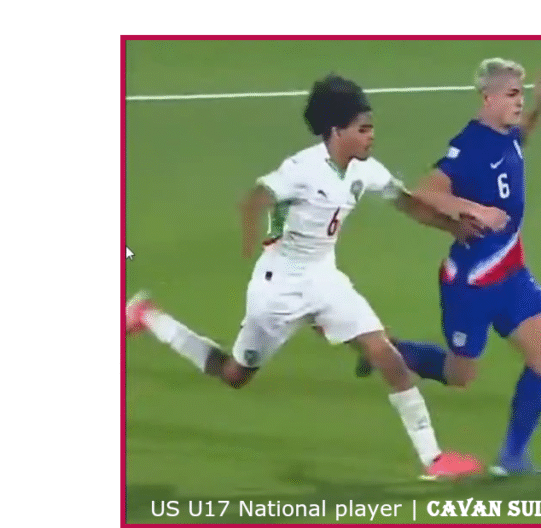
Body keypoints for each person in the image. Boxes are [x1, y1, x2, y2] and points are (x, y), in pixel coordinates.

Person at [125, 73, 493, 479]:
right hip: (278, 290)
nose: (371, 136)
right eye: (363, 129)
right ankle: (149, 317)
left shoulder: (364, 171)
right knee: (235, 374)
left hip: (325, 281)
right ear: (336, 132)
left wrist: (452, 226)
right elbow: (256, 198)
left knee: (386, 354)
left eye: (371, 127)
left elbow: (408, 205)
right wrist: (256, 239)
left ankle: (434, 458)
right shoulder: (301, 169)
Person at [356, 58, 541, 476]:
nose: (518, 101)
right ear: (488, 98)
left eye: (520, 93)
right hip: (471, 285)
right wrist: (475, 209)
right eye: (512, 95)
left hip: (512, 275)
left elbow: (521, 142)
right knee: (461, 374)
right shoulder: (468, 146)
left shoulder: (506, 136)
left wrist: (539, 108)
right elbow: (427, 191)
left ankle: (512, 458)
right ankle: (390, 352)